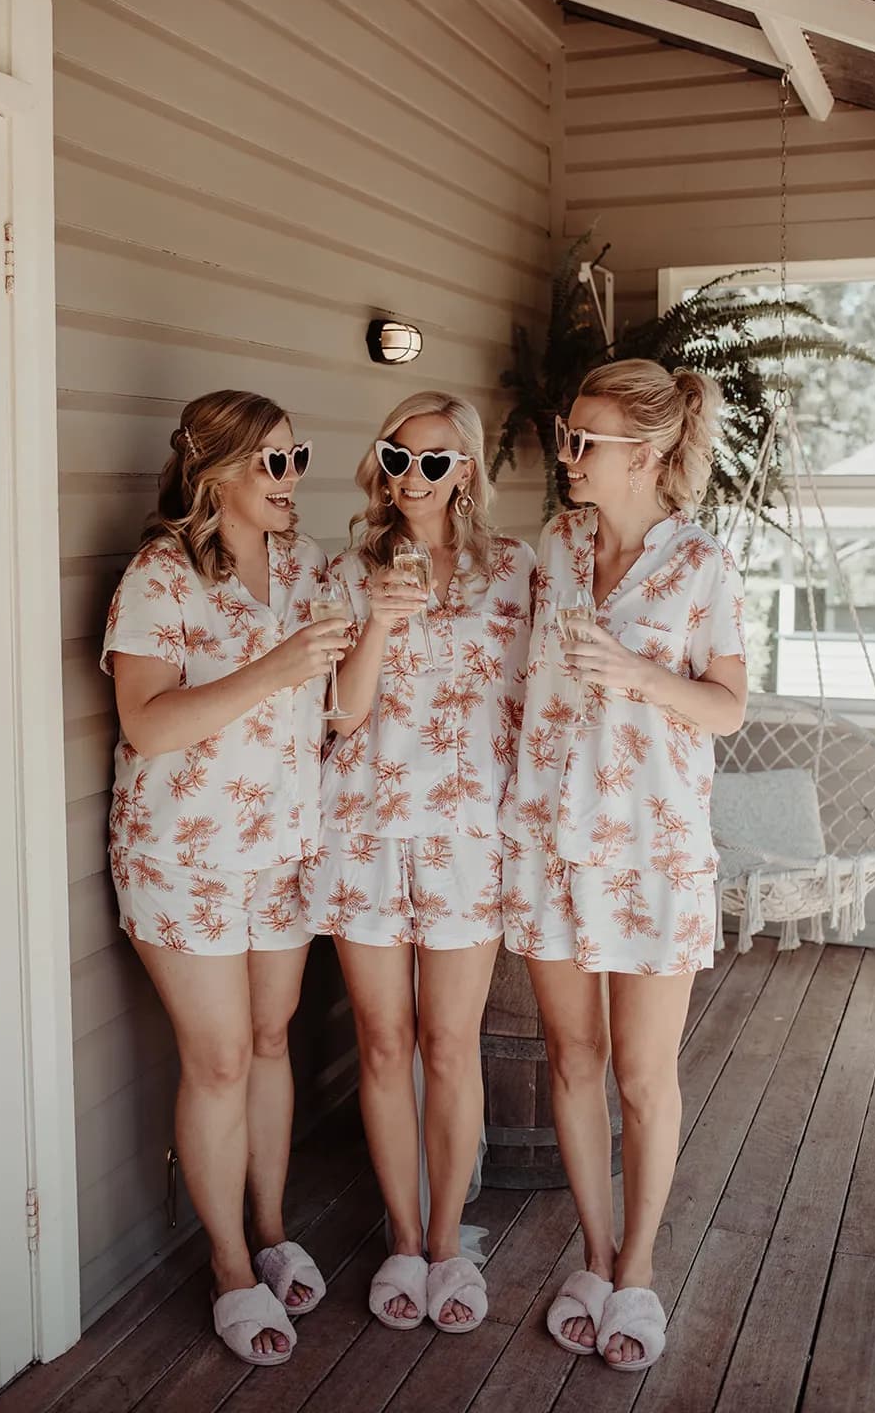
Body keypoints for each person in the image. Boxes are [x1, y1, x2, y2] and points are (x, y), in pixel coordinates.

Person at [500, 360, 747, 1373]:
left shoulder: (702, 566)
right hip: (551, 844)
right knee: (572, 1060)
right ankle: (595, 1258)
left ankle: (638, 1272)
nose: (567, 453)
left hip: (652, 850)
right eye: (567, 435)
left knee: (644, 1077)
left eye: (584, 440)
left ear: (643, 455)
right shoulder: (553, 550)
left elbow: (728, 706)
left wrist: (637, 674)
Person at [101, 390, 349, 1368]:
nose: (292, 478)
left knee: (270, 1037)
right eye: (272, 462)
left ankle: (273, 1229)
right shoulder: (159, 576)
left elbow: (339, 697)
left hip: (283, 847)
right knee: (215, 1060)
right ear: (216, 475)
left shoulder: (307, 565)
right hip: (183, 854)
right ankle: (229, 1265)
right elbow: (146, 722)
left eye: (298, 456)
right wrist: (275, 669)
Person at [302, 392, 534, 1336]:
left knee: (449, 1044)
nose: (412, 477)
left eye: (434, 461)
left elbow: (538, 699)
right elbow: (341, 713)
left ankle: (449, 1244)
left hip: (467, 838)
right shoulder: (347, 570)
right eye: (398, 457)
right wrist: (381, 624)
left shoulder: (515, 571)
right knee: (383, 1042)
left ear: (465, 470)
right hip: (364, 830)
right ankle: (403, 1240)